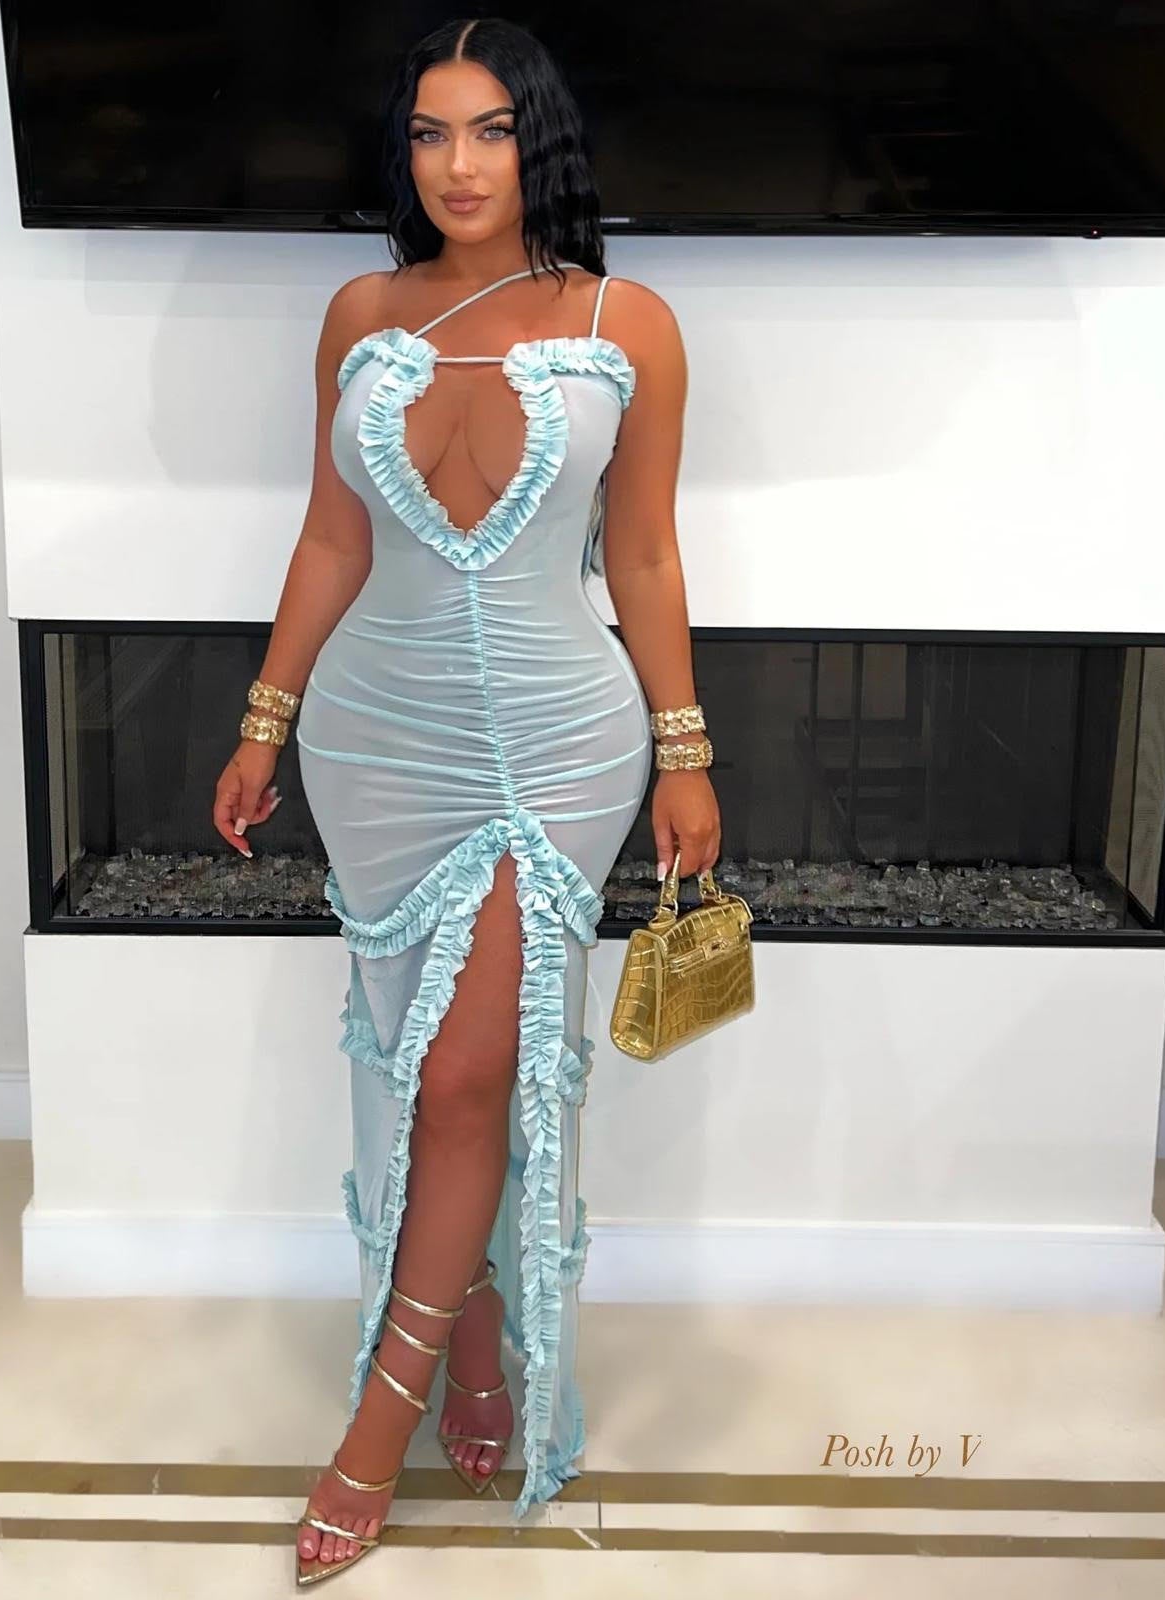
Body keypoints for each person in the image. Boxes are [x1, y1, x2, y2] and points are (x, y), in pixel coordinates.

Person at [211, 15, 719, 1587]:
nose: (458, 164)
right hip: (378, 739)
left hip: (560, 744)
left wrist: (686, 749)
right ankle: (473, 1345)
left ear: (538, 140)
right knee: (430, 1064)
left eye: (490, 130)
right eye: (429, 133)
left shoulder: (630, 325)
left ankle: (377, 1428)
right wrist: (265, 720)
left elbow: (643, 552)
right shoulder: (362, 317)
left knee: (471, 1074)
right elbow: (331, 539)